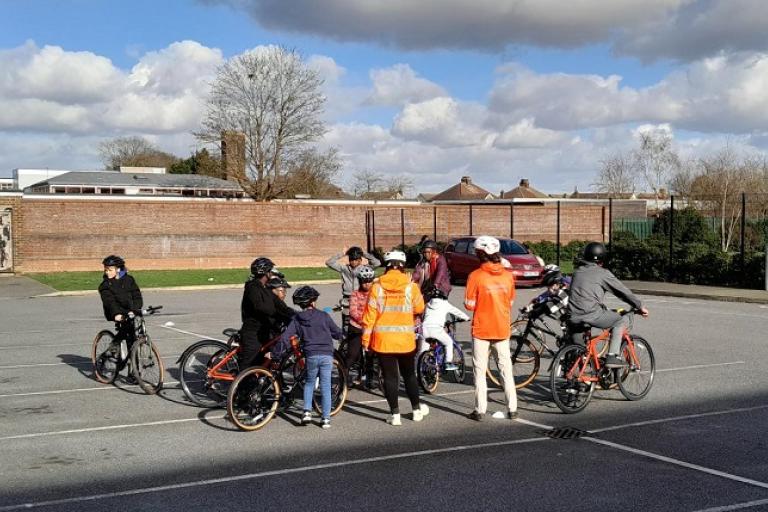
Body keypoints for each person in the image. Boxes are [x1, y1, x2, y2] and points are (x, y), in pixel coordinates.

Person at [362, 250, 428, 426]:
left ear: (387, 266)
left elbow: (369, 317)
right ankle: (416, 410)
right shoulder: (410, 286)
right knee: (409, 376)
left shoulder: (377, 287)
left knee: (390, 378)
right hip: (405, 340)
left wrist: (365, 341)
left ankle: (395, 415)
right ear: (402, 266)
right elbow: (420, 308)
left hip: (383, 341)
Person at [567, 242, 649, 368]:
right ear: (602, 258)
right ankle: (612, 356)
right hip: (590, 314)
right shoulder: (602, 273)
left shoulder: (578, 272)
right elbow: (621, 291)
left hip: (572, 316)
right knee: (619, 321)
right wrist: (639, 305)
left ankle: (572, 379)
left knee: (579, 350)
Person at [464, 236, 519, 421]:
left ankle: (480, 410)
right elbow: (510, 301)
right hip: (502, 327)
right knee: (506, 369)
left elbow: (469, 304)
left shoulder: (475, 276)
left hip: (482, 328)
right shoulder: (508, 275)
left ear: (479, 254)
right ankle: (512, 408)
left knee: (479, 371)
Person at [274, 286, 342, 429]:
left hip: (311, 355)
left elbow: (286, 338)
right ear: (313, 302)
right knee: (325, 386)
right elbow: (336, 332)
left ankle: (306, 412)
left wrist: (275, 353)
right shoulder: (324, 316)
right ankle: (325, 419)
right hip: (326, 355)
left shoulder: (297, 319)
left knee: (309, 382)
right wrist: (344, 336)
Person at [98, 255, 143, 366]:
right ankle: (111, 350)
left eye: (110, 270)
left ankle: (133, 371)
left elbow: (137, 295)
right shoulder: (105, 285)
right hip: (116, 312)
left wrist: (137, 308)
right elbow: (110, 302)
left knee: (133, 340)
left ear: (118, 269)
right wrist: (117, 314)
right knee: (127, 335)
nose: (107, 272)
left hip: (130, 311)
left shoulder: (129, 280)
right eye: (106, 270)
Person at [239, 257, 282, 370]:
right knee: (250, 362)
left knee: (263, 359)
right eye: (270, 271)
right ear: (266, 273)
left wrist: (293, 314)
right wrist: (276, 313)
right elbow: (261, 307)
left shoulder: (265, 287)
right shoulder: (253, 287)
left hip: (263, 329)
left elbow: (278, 304)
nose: (271, 273)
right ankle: (242, 386)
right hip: (252, 331)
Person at [326, 246, 381, 334]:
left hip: (361, 299)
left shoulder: (364, 269)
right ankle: (346, 343)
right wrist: (342, 254)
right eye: (351, 259)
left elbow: (377, 263)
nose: (354, 262)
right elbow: (329, 262)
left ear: (360, 260)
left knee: (362, 322)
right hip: (347, 300)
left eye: (356, 260)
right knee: (346, 325)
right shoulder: (344, 269)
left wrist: (365, 254)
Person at [421, 288, 469, 371]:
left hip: (424, 329)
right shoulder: (444, 303)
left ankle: (419, 370)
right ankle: (448, 363)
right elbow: (457, 312)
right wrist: (466, 318)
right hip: (437, 329)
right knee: (448, 342)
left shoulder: (428, 304)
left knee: (422, 352)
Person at [345, 265, 375, 386]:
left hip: (371, 328)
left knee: (370, 354)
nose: (367, 284)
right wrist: (364, 321)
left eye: (369, 281)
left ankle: (370, 378)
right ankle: (345, 375)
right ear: (360, 281)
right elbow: (353, 311)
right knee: (353, 354)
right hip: (357, 327)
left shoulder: (375, 293)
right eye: (364, 281)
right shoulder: (355, 294)